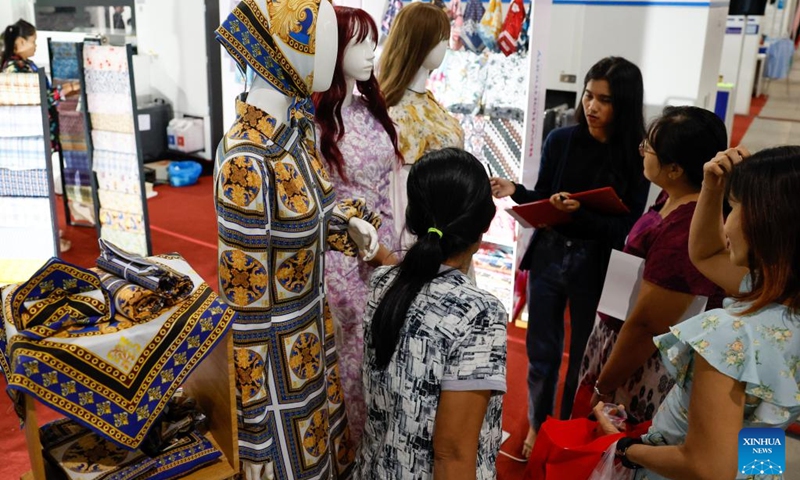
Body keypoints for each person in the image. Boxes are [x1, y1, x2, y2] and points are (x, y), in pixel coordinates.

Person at [214, 1, 380, 479]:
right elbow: (243, 312)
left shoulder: (296, 133)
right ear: (285, 47)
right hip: (274, 372)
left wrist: (345, 224)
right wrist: (255, 434)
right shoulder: (248, 159)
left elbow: (310, 217)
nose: (331, 50)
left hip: (311, 347)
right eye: (319, 35)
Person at [599, 146, 800, 480]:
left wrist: (626, 449)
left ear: (767, 224)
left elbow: (707, 467)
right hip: (759, 468)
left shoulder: (727, 334)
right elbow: (706, 255)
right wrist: (712, 188)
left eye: (734, 209)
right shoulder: (781, 300)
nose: (727, 224)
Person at [490, 56, 649, 457]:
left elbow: (628, 229)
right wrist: (518, 191)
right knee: (541, 352)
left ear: (625, 104)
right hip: (550, 256)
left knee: (583, 358)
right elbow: (545, 196)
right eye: (588, 95)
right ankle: (538, 426)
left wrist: (583, 214)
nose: (591, 106)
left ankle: (565, 428)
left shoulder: (635, 154)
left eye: (604, 100)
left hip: (597, 265)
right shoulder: (561, 139)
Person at [357, 148, 507, 480]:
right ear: (484, 221)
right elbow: (452, 455)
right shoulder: (479, 314)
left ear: (413, 217)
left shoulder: (383, 282)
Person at [573, 106, 727, 423]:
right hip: (622, 335)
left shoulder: (685, 229)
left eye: (650, 147)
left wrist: (604, 386)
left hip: (643, 361)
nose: (642, 150)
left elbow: (648, 326)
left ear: (674, 169)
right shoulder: (671, 196)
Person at [311, 6, 402, 444]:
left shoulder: (371, 109)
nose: (372, 53)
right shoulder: (313, 123)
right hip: (338, 262)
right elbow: (314, 201)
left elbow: (386, 188)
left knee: (380, 358)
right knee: (347, 360)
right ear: (334, 48)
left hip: (383, 252)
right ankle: (348, 451)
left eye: (374, 42)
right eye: (360, 42)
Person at [378, 1, 464, 249]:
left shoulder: (428, 102)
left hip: (450, 224)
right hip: (424, 234)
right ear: (419, 42)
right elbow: (401, 194)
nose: (446, 46)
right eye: (440, 39)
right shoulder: (397, 113)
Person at [2, 19, 78, 253]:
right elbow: (40, 98)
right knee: (38, 191)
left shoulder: (25, 65)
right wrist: (66, 89)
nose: (35, 46)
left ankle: (51, 232)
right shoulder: (16, 70)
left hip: (38, 135)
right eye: (33, 42)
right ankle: (49, 239)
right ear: (20, 42)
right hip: (28, 139)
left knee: (43, 188)